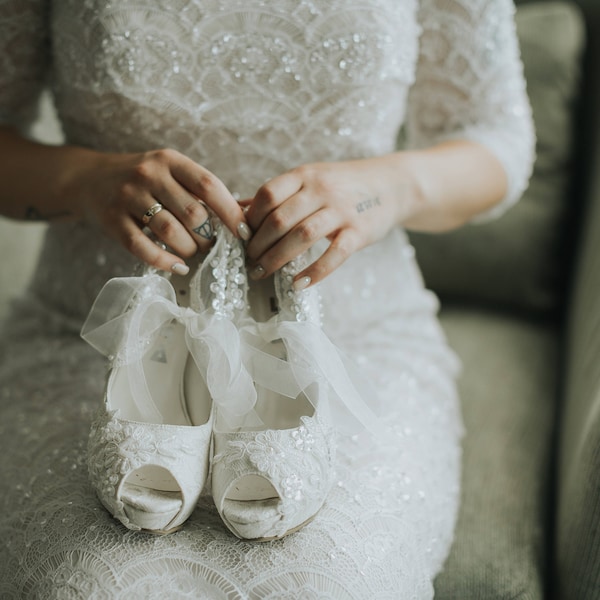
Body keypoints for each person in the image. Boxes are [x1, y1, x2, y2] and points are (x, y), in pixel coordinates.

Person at [0, 0, 534, 597]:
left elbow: (497, 137)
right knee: (93, 585)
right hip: (89, 331)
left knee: (328, 584)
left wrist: (385, 186)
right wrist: (83, 179)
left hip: (350, 334)